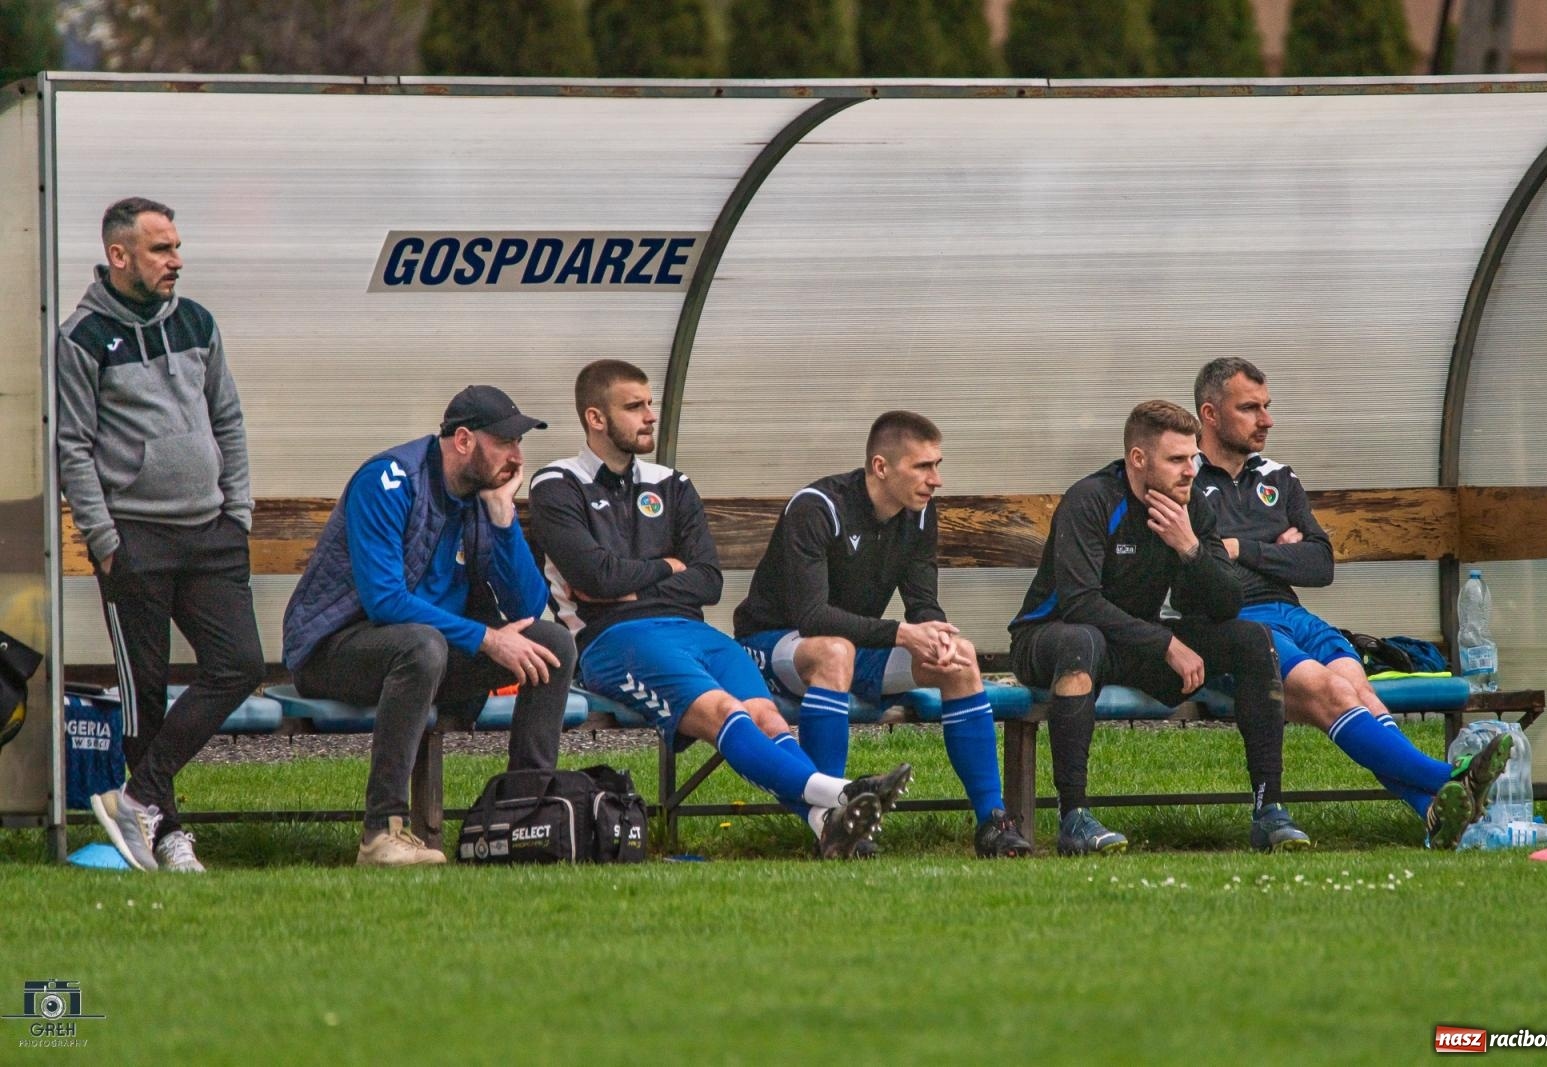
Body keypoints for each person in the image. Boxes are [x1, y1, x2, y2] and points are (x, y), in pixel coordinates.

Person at [526, 360, 911, 859]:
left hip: (694, 631)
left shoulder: (672, 484)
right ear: (596, 418)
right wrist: (666, 567)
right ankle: (840, 793)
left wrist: (637, 576)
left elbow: (707, 581)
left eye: (651, 404)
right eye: (634, 406)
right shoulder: (557, 483)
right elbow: (593, 577)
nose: (649, 416)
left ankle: (826, 825)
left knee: (765, 716)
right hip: (615, 640)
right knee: (725, 712)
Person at [1192, 357, 1511, 849]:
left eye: (1267, 406)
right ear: (1210, 415)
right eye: (1250, 408)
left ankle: (1432, 810)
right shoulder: (1183, 477)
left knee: (1357, 690)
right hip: (1237, 623)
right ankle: (1447, 776)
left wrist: (1244, 548)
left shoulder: (1280, 477)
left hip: (1295, 614)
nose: (1267, 420)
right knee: (1332, 693)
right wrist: (1277, 549)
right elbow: (1205, 565)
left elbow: (1320, 565)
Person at [282, 385, 576, 867]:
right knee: (422, 645)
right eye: (505, 442)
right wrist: (484, 638)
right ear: (463, 440)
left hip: (430, 656)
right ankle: (382, 833)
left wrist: (504, 518)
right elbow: (385, 603)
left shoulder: (484, 499)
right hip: (335, 650)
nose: (517, 457)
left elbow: (529, 605)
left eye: (519, 443)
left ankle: (525, 817)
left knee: (552, 643)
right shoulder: (389, 480)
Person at [58, 197, 265, 873]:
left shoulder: (198, 322)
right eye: (160, 250)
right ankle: (167, 831)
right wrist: (106, 538)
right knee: (143, 696)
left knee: (240, 665)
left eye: (176, 247)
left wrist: (237, 513)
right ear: (120, 256)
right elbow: (73, 447)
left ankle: (138, 796)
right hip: (136, 541)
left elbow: (227, 418)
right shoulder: (83, 338)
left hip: (210, 533)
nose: (175, 261)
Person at [1008, 400, 1310, 854]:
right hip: (1050, 636)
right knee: (1081, 640)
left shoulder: (1191, 507)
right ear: (1138, 459)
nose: (1190, 470)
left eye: (1192, 457)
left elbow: (1228, 604)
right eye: (1176, 460)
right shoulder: (1091, 500)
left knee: (1252, 639)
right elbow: (1080, 602)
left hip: (1131, 641)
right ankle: (1074, 819)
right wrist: (1166, 642)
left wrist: (1190, 548)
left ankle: (1269, 812)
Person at [734, 411, 1030, 858]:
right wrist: (901, 634)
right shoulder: (817, 507)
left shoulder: (919, 513)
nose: (937, 480)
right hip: (773, 644)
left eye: (937, 464)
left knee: (961, 658)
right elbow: (813, 617)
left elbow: (922, 603)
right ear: (880, 467)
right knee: (834, 651)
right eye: (923, 467)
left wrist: (938, 634)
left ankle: (993, 821)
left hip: (853, 648)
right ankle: (834, 822)